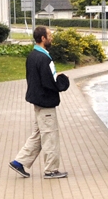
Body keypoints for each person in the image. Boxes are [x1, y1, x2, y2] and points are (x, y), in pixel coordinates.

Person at [9, 26, 70, 179]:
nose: (51, 37)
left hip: (37, 101)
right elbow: (50, 81)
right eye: (49, 35)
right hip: (45, 102)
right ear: (43, 38)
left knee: (38, 135)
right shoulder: (44, 58)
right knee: (50, 136)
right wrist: (63, 82)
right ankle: (51, 170)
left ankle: (19, 162)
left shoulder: (33, 55)